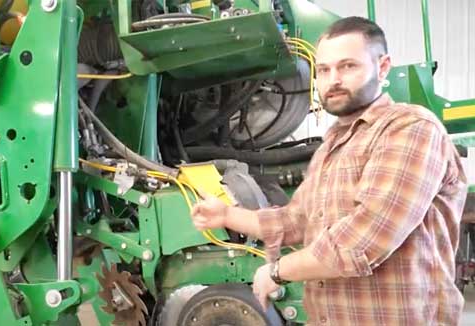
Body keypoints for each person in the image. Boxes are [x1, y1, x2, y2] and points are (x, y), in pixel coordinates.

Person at [191, 16, 467, 325]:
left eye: (348, 66)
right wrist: (227, 215)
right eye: (323, 70)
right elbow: (296, 220)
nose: (333, 79)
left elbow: (365, 239)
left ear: (383, 66)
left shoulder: (411, 128)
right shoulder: (332, 145)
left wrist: (279, 270)